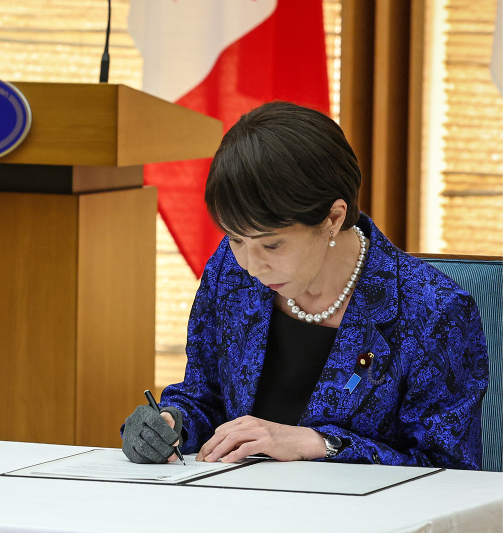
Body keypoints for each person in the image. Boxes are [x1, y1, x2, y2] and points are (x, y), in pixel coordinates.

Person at [122, 101, 489, 469]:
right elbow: (206, 398)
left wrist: (320, 443)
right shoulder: (229, 270)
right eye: (236, 240)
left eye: (272, 244)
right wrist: (171, 423)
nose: (251, 266)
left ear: (333, 217)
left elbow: (449, 470)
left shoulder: (432, 311)